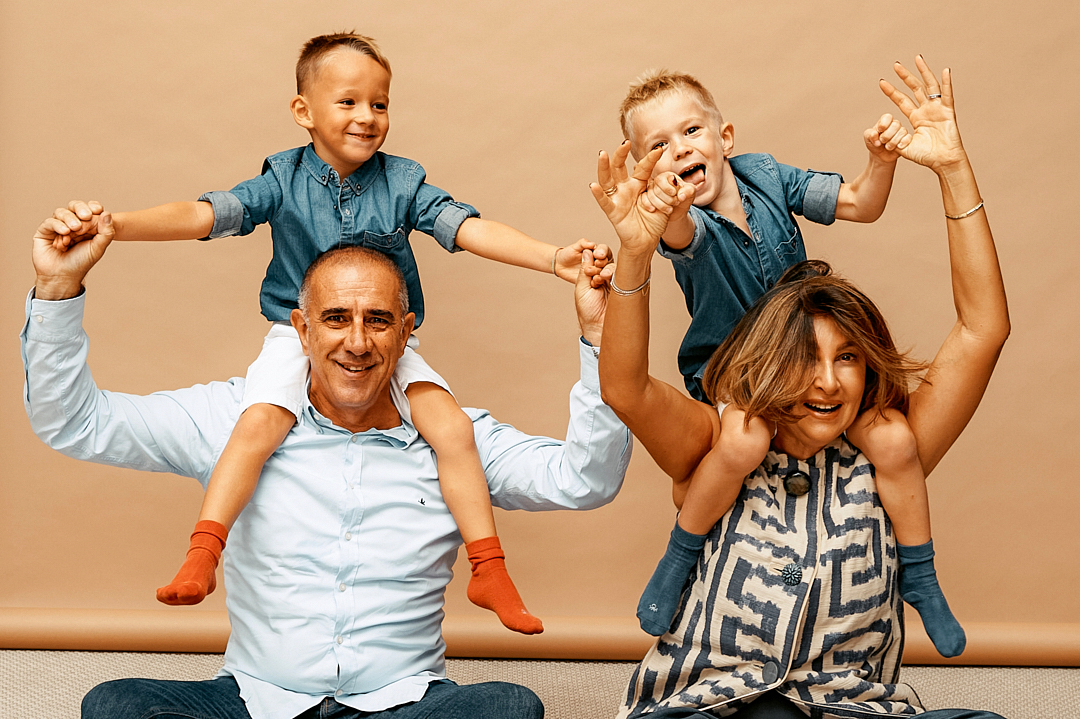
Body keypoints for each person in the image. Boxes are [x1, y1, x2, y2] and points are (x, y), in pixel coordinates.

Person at [47, 32, 605, 634]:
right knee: (257, 424)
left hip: (387, 339)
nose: (367, 117)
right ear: (303, 111)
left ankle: (489, 569)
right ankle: (203, 553)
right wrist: (117, 226)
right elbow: (204, 215)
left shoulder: (403, 182)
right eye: (348, 102)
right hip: (296, 334)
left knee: (452, 428)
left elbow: (469, 229)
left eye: (380, 104)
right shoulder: (282, 179)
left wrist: (553, 259)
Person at [22, 212, 631, 719]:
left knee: (508, 707)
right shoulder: (232, 420)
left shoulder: (457, 441)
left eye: (378, 320)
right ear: (302, 329)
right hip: (255, 702)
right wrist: (57, 290)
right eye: (336, 318)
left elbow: (584, 480)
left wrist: (600, 336)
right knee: (118, 705)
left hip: (403, 704)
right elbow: (76, 423)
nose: (357, 343)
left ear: (405, 332)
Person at [592, 58, 1008, 717]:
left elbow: (983, 328)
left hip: (849, 707)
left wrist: (952, 169)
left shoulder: (889, 448)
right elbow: (625, 387)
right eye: (803, 357)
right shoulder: (715, 441)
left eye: (848, 358)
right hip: (717, 704)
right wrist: (637, 252)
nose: (826, 381)